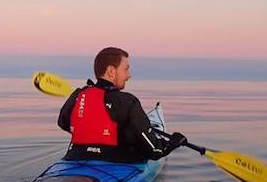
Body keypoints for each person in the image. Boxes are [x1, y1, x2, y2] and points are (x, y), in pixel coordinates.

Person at [58, 47, 186, 162]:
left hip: (75, 158)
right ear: (111, 71)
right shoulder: (128, 102)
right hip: (118, 164)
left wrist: (93, 135)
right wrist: (173, 143)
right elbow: (155, 151)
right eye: (126, 69)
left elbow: (63, 123)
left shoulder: (79, 94)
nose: (129, 75)